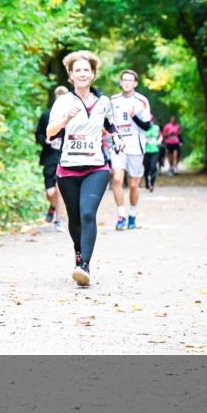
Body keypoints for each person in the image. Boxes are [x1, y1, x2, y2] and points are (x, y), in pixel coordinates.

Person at [46, 50, 122, 287]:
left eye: (86, 70)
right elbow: (50, 133)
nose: (82, 74)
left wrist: (116, 139)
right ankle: (78, 253)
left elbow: (111, 125)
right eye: (77, 70)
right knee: (75, 217)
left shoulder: (104, 102)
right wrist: (64, 120)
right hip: (68, 169)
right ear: (70, 75)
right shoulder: (63, 102)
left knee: (88, 213)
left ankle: (84, 266)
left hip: (96, 167)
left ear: (93, 75)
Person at [109, 69, 152, 230]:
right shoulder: (112, 100)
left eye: (130, 80)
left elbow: (147, 127)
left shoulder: (142, 101)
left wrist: (134, 116)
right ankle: (121, 215)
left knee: (134, 184)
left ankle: (132, 215)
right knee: (117, 179)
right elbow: (108, 122)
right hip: (118, 145)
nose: (127, 83)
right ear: (121, 83)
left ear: (135, 83)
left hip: (136, 146)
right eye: (124, 80)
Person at [35, 86, 70, 232]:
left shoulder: (71, 115)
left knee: (59, 190)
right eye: (59, 95)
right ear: (55, 97)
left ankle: (59, 220)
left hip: (65, 157)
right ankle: (53, 206)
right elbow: (38, 135)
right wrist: (46, 141)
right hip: (49, 157)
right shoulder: (46, 115)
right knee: (50, 193)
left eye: (64, 96)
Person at [143, 121, 161, 192]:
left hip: (154, 151)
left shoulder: (156, 128)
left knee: (153, 167)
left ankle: (152, 184)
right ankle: (147, 182)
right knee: (146, 169)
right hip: (145, 151)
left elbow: (161, 135)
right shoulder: (142, 128)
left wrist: (159, 141)